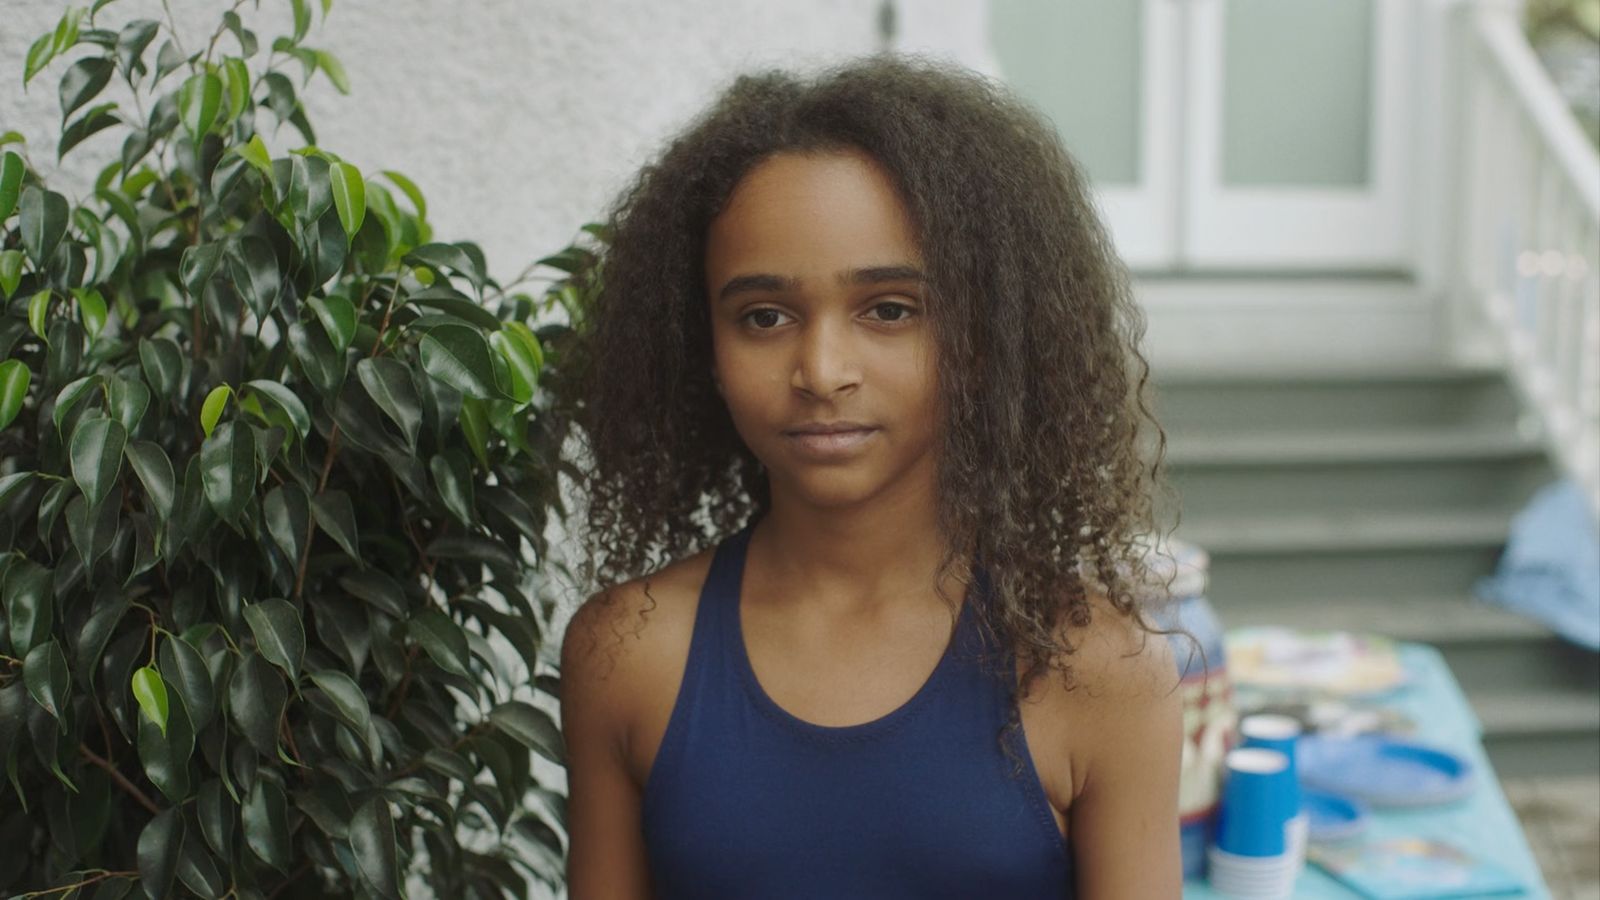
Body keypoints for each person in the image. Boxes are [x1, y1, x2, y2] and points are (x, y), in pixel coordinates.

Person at [557, 53, 1185, 899]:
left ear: (983, 336)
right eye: (764, 316)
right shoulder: (628, 654)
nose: (821, 370)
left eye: (889, 310)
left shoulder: (1096, 668)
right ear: (699, 348)